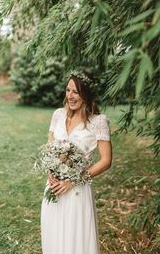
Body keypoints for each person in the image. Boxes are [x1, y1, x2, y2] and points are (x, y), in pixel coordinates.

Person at [40, 70, 112, 254]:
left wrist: (74, 180)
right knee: (54, 235)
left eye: (76, 92)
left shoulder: (98, 121)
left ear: (86, 94)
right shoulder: (58, 115)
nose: (70, 96)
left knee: (76, 241)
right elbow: (50, 148)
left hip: (76, 190)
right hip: (54, 186)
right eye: (67, 90)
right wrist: (50, 170)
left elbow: (106, 160)